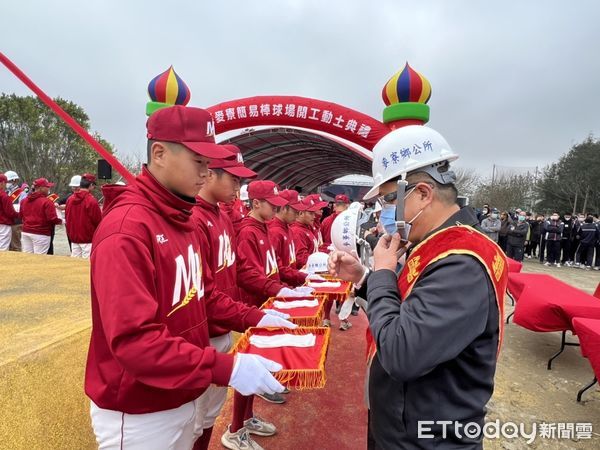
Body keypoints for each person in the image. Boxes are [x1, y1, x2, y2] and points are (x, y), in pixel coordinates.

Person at [85, 105, 293, 449]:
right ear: (159, 153)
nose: (205, 173)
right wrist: (225, 367)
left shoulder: (179, 217)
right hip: (139, 408)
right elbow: (135, 342)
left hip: (182, 387)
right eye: (199, 161)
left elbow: (204, 296)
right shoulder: (128, 229)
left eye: (210, 164)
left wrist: (258, 316)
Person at [327, 125, 507, 448]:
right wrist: (365, 280)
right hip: (405, 425)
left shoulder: (462, 263)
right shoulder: (436, 244)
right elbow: (408, 311)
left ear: (423, 193)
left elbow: (401, 352)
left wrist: (382, 273)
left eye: (388, 200)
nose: (383, 214)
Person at [19, 178, 62, 254]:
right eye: (47, 187)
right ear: (40, 188)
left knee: (27, 259)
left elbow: (21, 215)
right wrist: (61, 221)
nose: (49, 189)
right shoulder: (47, 202)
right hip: (41, 233)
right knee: (39, 260)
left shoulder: (24, 201)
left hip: (26, 232)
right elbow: (52, 219)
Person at [65, 173, 102, 258]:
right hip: (88, 240)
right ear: (91, 185)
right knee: (87, 267)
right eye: (93, 185)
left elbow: (67, 217)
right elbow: (98, 221)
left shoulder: (70, 199)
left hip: (74, 239)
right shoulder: (91, 201)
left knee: (74, 267)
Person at [4, 170, 24, 251]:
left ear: (15, 181)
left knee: (15, 247)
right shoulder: (5, 192)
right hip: (6, 223)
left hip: (16, 224)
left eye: (8, 181)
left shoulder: (22, 193)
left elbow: (23, 208)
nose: (6, 183)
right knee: (6, 246)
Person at [0, 173, 19, 250]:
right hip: (3, 224)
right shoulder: (4, 196)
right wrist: (20, 214)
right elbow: (10, 213)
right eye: (6, 182)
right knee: (3, 249)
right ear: (2, 183)